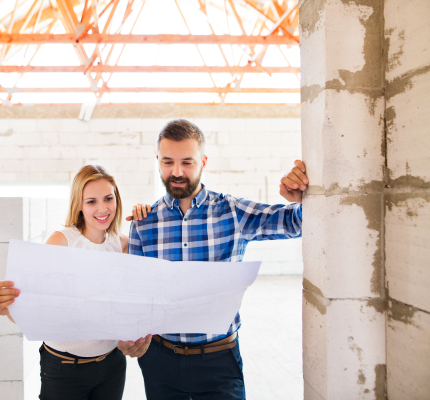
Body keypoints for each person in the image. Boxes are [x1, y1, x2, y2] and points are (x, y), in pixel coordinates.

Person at [128, 119, 309, 400]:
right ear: (158, 161)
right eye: (168, 162)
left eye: (187, 162)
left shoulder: (233, 212)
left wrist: (302, 197)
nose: (177, 172)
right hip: (159, 361)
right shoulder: (143, 223)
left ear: (204, 161)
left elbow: (297, 223)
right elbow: (137, 295)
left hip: (218, 360)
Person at [0, 165, 152, 400]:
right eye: (91, 201)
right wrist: (5, 308)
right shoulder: (61, 242)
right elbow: (30, 306)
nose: (103, 208)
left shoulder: (121, 244)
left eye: (108, 198)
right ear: (79, 205)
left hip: (111, 365)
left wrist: (146, 215)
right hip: (64, 369)